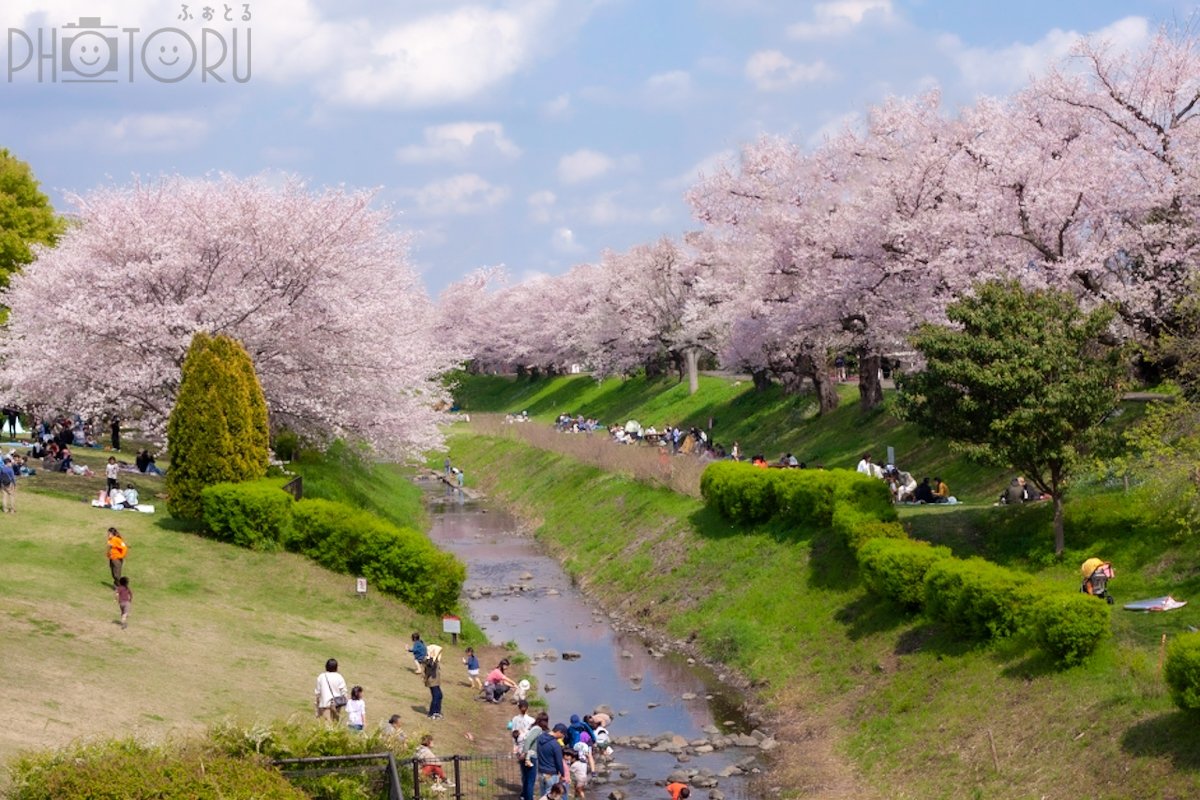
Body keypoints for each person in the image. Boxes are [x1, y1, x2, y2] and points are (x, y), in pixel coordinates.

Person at [519, 711, 549, 800]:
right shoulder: (538, 729)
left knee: (526, 778)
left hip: (526, 755)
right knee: (530, 780)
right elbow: (529, 740)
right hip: (531, 757)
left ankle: (524, 796)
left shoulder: (532, 727)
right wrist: (524, 753)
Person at [534, 722, 568, 799]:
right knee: (551, 796)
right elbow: (559, 762)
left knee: (543, 795)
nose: (563, 737)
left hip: (541, 772)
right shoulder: (555, 745)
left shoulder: (540, 738)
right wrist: (562, 774)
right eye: (563, 734)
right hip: (551, 773)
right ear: (559, 732)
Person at [315, 658, 348, 722]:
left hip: (324, 705)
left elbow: (318, 693)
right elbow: (344, 692)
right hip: (336, 705)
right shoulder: (339, 677)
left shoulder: (321, 677)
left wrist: (317, 706)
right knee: (335, 724)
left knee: (326, 725)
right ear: (336, 667)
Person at [424, 644, 444, 719]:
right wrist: (432, 657)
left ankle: (437, 712)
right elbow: (430, 666)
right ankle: (431, 713)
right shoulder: (429, 660)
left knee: (440, 695)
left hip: (435, 681)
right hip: (432, 681)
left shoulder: (434, 660)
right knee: (436, 696)